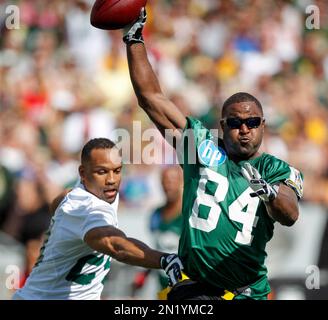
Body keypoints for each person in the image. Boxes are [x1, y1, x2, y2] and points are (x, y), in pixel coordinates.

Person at [121, 9, 304, 300]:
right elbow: (151, 99)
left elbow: (291, 213)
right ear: (222, 125)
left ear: (262, 125)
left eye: (252, 122)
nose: (244, 129)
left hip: (246, 292)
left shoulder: (274, 168)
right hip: (196, 286)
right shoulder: (200, 147)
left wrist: (270, 193)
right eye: (235, 122)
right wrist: (134, 38)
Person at [12, 138, 182, 300]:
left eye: (117, 170)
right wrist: (165, 260)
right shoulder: (83, 207)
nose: (111, 180)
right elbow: (115, 246)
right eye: (102, 172)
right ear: (82, 173)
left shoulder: (86, 192)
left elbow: (58, 201)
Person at [131, 165, 183, 295]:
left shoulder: (188, 215)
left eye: (173, 180)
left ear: (181, 182)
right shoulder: (155, 214)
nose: (169, 185)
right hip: (163, 286)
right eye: (165, 181)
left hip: (186, 287)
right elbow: (153, 248)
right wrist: (144, 275)